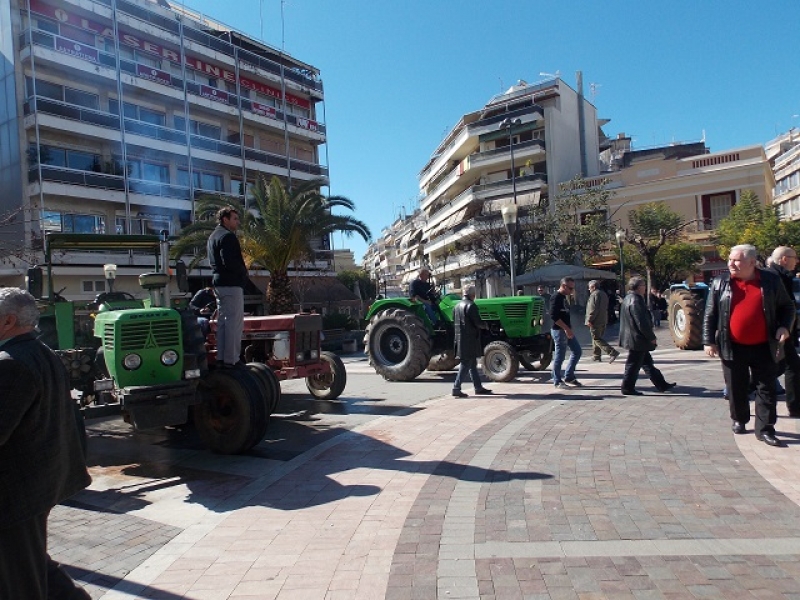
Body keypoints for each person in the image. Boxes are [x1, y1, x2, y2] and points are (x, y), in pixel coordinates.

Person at [0, 287, 92, 599]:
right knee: (32, 561)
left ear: (8, 321)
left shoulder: (9, 363)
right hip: (39, 483)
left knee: (19, 577)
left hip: (14, 493)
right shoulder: (44, 354)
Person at [703, 244, 795, 447]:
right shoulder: (720, 283)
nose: (731, 264)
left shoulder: (770, 280)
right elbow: (710, 314)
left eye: (737, 260)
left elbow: (788, 307)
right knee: (736, 387)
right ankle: (740, 419)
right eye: (730, 259)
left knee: (767, 388)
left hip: (764, 345)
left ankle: (765, 429)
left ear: (752, 262)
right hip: (732, 345)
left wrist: (784, 328)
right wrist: (708, 341)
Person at [618, 277, 677, 396]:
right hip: (637, 339)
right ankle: (627, 387)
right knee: (633, 364)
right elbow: (641, 322)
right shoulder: (636, 300)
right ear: (638, 287)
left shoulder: (628, 298)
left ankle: (661, 384)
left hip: (634, 338)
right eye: (643, 285)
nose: (645, 288)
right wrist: (651, 337)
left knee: (647, 363)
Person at [207, 206, 248, 368]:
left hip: (219, 284)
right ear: (225, 219)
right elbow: (230, 262)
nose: (237, 222)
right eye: (235, 219)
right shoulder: (227, 237)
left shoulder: (212, 237)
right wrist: (243, 274)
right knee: (234, 323)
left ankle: (222, 358)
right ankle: (231, 360)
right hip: (231, 284)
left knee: (223, 322)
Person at [769, 246, 800, 417]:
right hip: (778, 330)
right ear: (784, 260)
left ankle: (741, 390)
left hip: (783, 330)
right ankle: (795, 408)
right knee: (791, 366)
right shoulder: (774, 277)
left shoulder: (782, 276)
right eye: (794, 257)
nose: (796, 261)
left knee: (780, 366)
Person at [452, 284, 491, 397]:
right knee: (466, 363)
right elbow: (477, 322)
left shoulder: (456, 306)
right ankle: (456, 387)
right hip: (470, 339)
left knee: (472, 364)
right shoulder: (471, 306)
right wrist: (486, 326)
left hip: (460, 338)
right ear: (473, 295)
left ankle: (478, 387)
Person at [550, 277, 582, 388]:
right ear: (563, 286)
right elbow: (554, 316)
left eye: (573, 288)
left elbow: (565, 314)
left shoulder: (564, 297)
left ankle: (569, 375)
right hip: (559, 331)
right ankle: (557, 380)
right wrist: (566, 328)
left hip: (566, 330)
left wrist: (569, 328)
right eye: (570, 288)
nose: (572, 290)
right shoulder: (556, 297)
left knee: (577, 351)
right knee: (560, 356)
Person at [585, 279, 620, 363]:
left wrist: (589, 319)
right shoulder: (603, 294)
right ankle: (596, 356)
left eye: (589, 288)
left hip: (595, 320)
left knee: (596, 338)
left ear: (593, 287)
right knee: (596, 338)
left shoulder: (594, 294)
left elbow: (592, 308)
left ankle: (612, 352)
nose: (589, 289)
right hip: (603, 319)